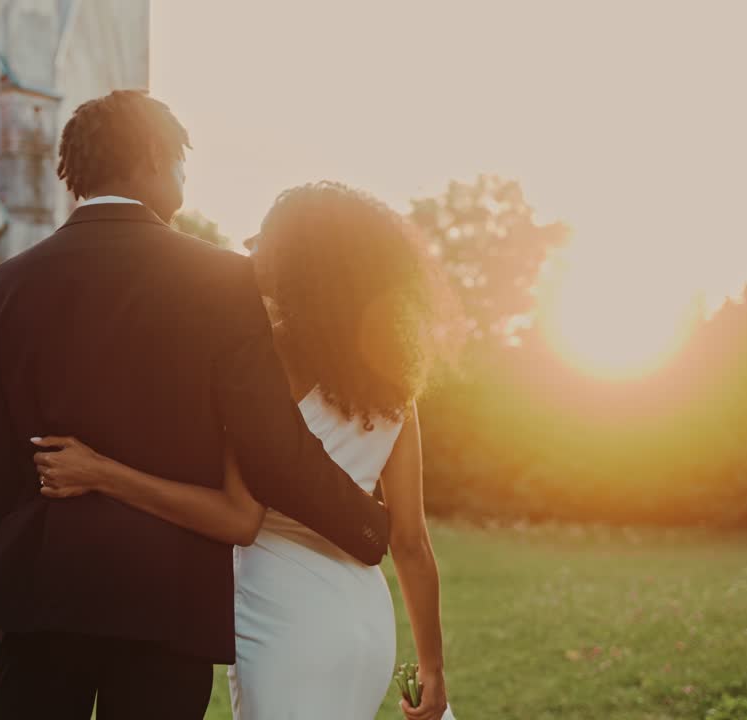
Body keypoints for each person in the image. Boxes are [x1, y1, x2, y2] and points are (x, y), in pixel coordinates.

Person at [0, 91, 391, 720]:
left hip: (38, 592)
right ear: (154, 158)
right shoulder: (222, 281)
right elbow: (273, 448)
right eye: (181, 161)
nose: (184, 176)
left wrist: (10, 575)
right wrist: (368, 523)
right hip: (170, 600)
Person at [34, 182, 461, 720]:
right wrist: (432, 669)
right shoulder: (394, 383)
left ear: (299, 263)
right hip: (366, 621)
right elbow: (411, 542)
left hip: (285, 615)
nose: (248, 245)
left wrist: (100, 472)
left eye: (267, 239)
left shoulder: (265, 363)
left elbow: (236, 515)